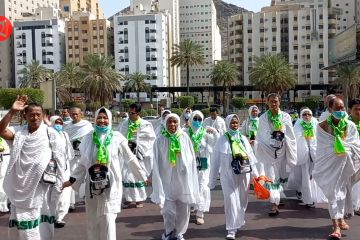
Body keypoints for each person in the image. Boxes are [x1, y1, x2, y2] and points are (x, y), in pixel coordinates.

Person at [63, 107, 147, 240]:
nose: (102, 121)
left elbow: (130, 158)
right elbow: (82, 163)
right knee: (92, 221)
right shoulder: (88, 138)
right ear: (95, 120)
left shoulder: (117, 137)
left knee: (108, 219)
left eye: (105, 118)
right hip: (92, 186)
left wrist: (142, 176)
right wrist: (72, 180)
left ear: (110, 119)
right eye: (99, 118)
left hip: (111, 186)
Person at [0, 96, 66, 240]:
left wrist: (61, 182)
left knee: (40, 228)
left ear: (43, 116)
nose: (35, 117)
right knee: (22, 230)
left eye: (38, 114)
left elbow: (60, 159)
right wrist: (12, 111)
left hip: (43, 189)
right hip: (20, 187)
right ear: (25, 115)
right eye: (31, 114)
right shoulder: (19, 133)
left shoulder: (51, 134)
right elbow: (1, 130)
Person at [313, 97, 360, 239]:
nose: (341, 111)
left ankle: (341, 219)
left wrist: (342, 149)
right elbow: (322, 148)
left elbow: (355, 145)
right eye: (337, 108)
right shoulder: (322, 126)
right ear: (330, 109)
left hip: (345, 167)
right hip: (329, 167)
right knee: (333, 195)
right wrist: (338, 150)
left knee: (342, 194)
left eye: (342, 108)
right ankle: (336, 227)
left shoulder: (350, 125)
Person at [151, 113, 200, 240]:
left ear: (178, 123)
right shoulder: (160, 139)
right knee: (168, 210)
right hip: (166, 179)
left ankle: (179, 232)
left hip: (183, 179)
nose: (172, 124)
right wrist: (155, 177)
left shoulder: (184, 138)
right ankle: (168, 231)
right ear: (165, 123)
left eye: (175, 122)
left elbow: (191, 158)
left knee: (183, 208)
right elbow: (155, 161)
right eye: (169, 122)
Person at [210, 114, 258, 240]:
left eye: (236, 123)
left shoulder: (243, 139)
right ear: (227, 124)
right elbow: (215, 161)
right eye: (232, 123)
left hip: (244, 175)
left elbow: (251, 157)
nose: (235, 125)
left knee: (242, 201)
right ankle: (231, 229)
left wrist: (256, 176)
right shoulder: (222, 140)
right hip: (227, 175)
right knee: (231, 200)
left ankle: (238, 220)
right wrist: (212, 179)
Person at [256, 93, 297, 216]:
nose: (274, 104)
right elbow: (262, 135)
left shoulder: (285, 117)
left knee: (281, 176)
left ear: (279, 102)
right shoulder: (263, 118)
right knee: (272, 177)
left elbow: (291, 135)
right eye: (271, 102)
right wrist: (271, 138)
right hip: (268, 152)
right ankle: (274, 204)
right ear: (267, 103)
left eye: (276, 101)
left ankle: (278, 195)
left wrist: (282, 136)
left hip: (282, 152)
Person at [183, 110, 219, 225]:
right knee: (189, 186)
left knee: (202, 186)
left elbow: (217, 144)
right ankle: (188, 210)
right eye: (195, 118)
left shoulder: (205, 133)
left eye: (199, 119)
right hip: (189, 165)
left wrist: (214, 132)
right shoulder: (185, 132)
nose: (197, 121)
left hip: (203, 164)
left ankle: (200, 213)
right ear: (191, 118)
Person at [118, 103, 156, 208]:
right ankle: (129, 199)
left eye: (133, 113)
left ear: (138, 113)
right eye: (129, 112)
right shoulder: (124, 124)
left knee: (139, 175)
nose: (130, 114)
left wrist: (139, 147)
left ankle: (139, 199)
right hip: (126, 154)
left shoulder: (146, 124)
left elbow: (151, 139)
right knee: (127, 176)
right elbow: (119, 137)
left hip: (140, 155)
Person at [287, 108, 325, 207]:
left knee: (310, 177)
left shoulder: (315, 123)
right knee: (302, 177)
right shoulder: (298, 124)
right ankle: (302, 191)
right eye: (304, 114)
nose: (307, 116)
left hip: (313, 154)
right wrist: (303, 136)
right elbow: (294, 138)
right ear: (301, 115)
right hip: (302, 154)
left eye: (309, 114)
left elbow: (319, 138)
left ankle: (309, 199)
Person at [63, 107, 93, 211]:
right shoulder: (67, 126)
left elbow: (91, 138)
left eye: (76, 114)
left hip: (84, 156)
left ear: (81, 114)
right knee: (71, 177)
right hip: (71, 156)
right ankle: (71, 203)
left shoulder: (87, 125)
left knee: (86, 177)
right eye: (72, 114)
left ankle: (87, 198)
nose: (74, 116)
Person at [47, 116, 74, 228]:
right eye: (56, 122)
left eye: (60, 122)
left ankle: (60, 217)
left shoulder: (64, 134)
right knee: (54, 191)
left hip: (65, 166)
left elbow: (68, 151)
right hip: (53, 167)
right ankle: (51, 216)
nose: (58, 124)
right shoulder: (49, 132)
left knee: (65, 192)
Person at [240, 105, 263, 174]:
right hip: (248, 143)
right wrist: (247, 140)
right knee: (250, 160)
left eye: (256, 111)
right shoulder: (246, 122)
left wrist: (256, 140)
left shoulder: (261, 121)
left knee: (259, 160)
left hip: (259, 143)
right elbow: (242, 133)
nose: (255, 112)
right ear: (250, 112)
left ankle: (259, 175)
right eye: (253, 111)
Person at [347, 99, 360, 217]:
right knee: (349, 182)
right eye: (356, 109)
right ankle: (347, 207)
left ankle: (356, 206)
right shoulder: (345, 123)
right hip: (350, 157)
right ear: (349, 110)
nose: (359, 111)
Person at [0, 136, 10, 213]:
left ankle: (4, 204)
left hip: (7, 157)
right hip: (3, 158)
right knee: (2, 181)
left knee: (6, 181)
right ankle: (2, 206)